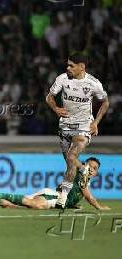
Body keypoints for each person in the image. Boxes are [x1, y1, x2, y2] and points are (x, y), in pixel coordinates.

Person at [45, 52, 109, 209]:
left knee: (72, 155)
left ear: (82, 67)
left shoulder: (93, 83)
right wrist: (56, 108)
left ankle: (63, 198)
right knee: (70, 162)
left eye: (71, 65)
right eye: (67, 64)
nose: (68, 67)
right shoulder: (62, 79)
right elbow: (49, 97)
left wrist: (95, 122)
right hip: (65, 126)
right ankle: (84, 171)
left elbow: (105, 102)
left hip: (84, 126)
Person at [0, 157, 110, 211]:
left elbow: (72, 191)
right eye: (89, 166)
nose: (91, 170)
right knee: (36, 205)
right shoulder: (81, 175)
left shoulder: (85, 181)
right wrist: (100, 207)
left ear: (97, 173)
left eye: (95, 169)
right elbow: (89, 198)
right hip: (52, 197)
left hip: (54, 196)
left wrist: (72, 204)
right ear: (84, 166)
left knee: (10, 205)